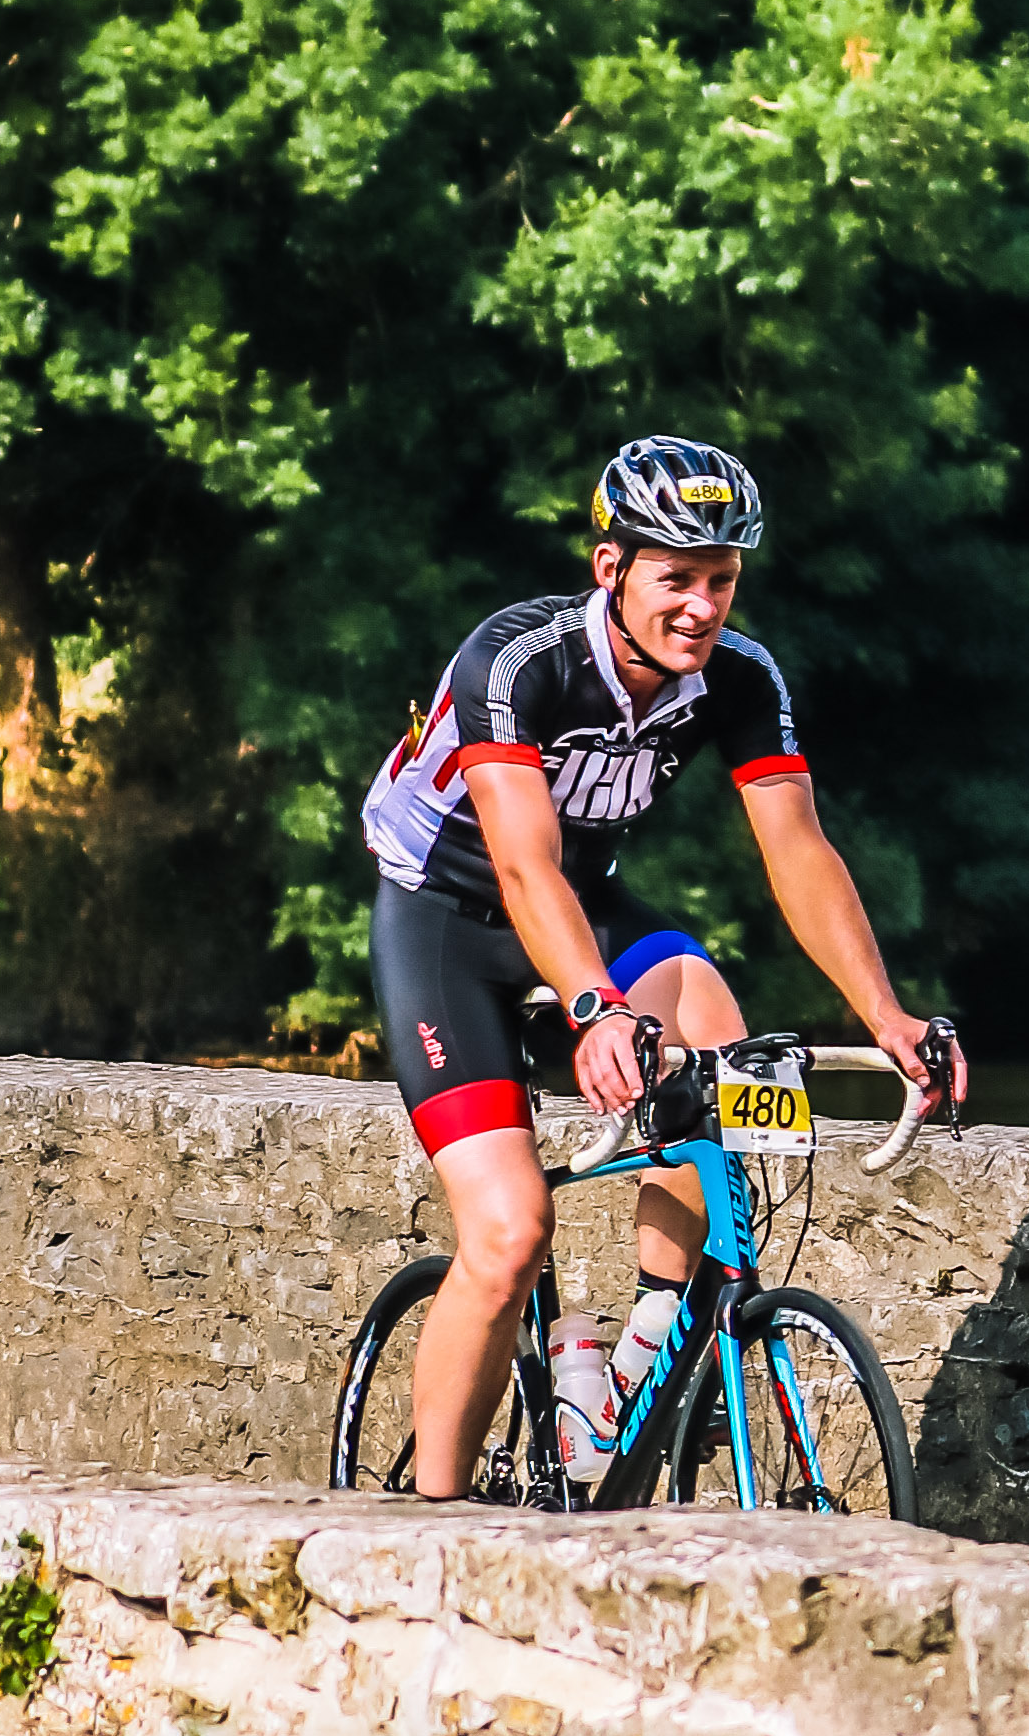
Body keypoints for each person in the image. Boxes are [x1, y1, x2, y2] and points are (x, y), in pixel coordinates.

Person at [360, 437, 963, 1497]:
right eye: (673, 578)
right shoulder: (519, 659)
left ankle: (636, 1358)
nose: (700, 606)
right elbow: (519, 859)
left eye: (720, 580)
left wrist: (886, 1014)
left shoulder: (738, 677)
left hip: (586, 903)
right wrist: (593, 1006)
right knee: (509, 1234)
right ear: (611, 571)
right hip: (450, 914)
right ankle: (429, 1532)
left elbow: (797, 851)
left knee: (718, 1042)